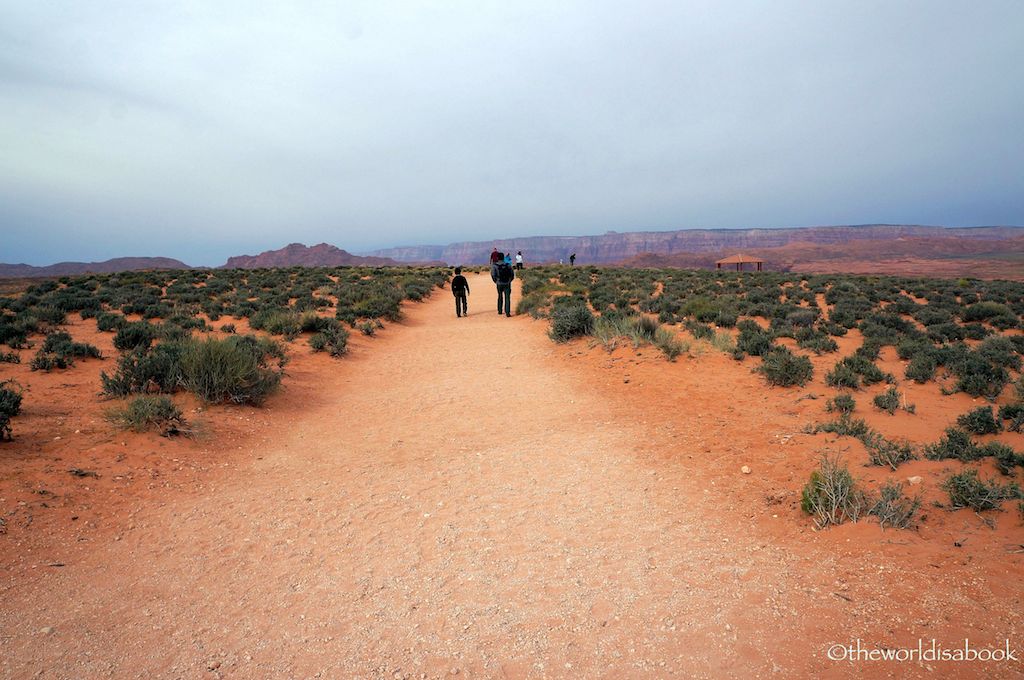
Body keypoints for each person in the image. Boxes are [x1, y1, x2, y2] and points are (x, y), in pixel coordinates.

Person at [491, 253, 515, 317]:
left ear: (497, 258)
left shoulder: (495, 265)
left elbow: (493, 275)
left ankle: (500, 310)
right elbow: (512, 274)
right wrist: (509, 281)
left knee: (500, 296)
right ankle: (507, 312)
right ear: (503, 257)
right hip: (507, 283)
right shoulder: (508, 265)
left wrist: (496, 281)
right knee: (507, 297)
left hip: (499, 283)